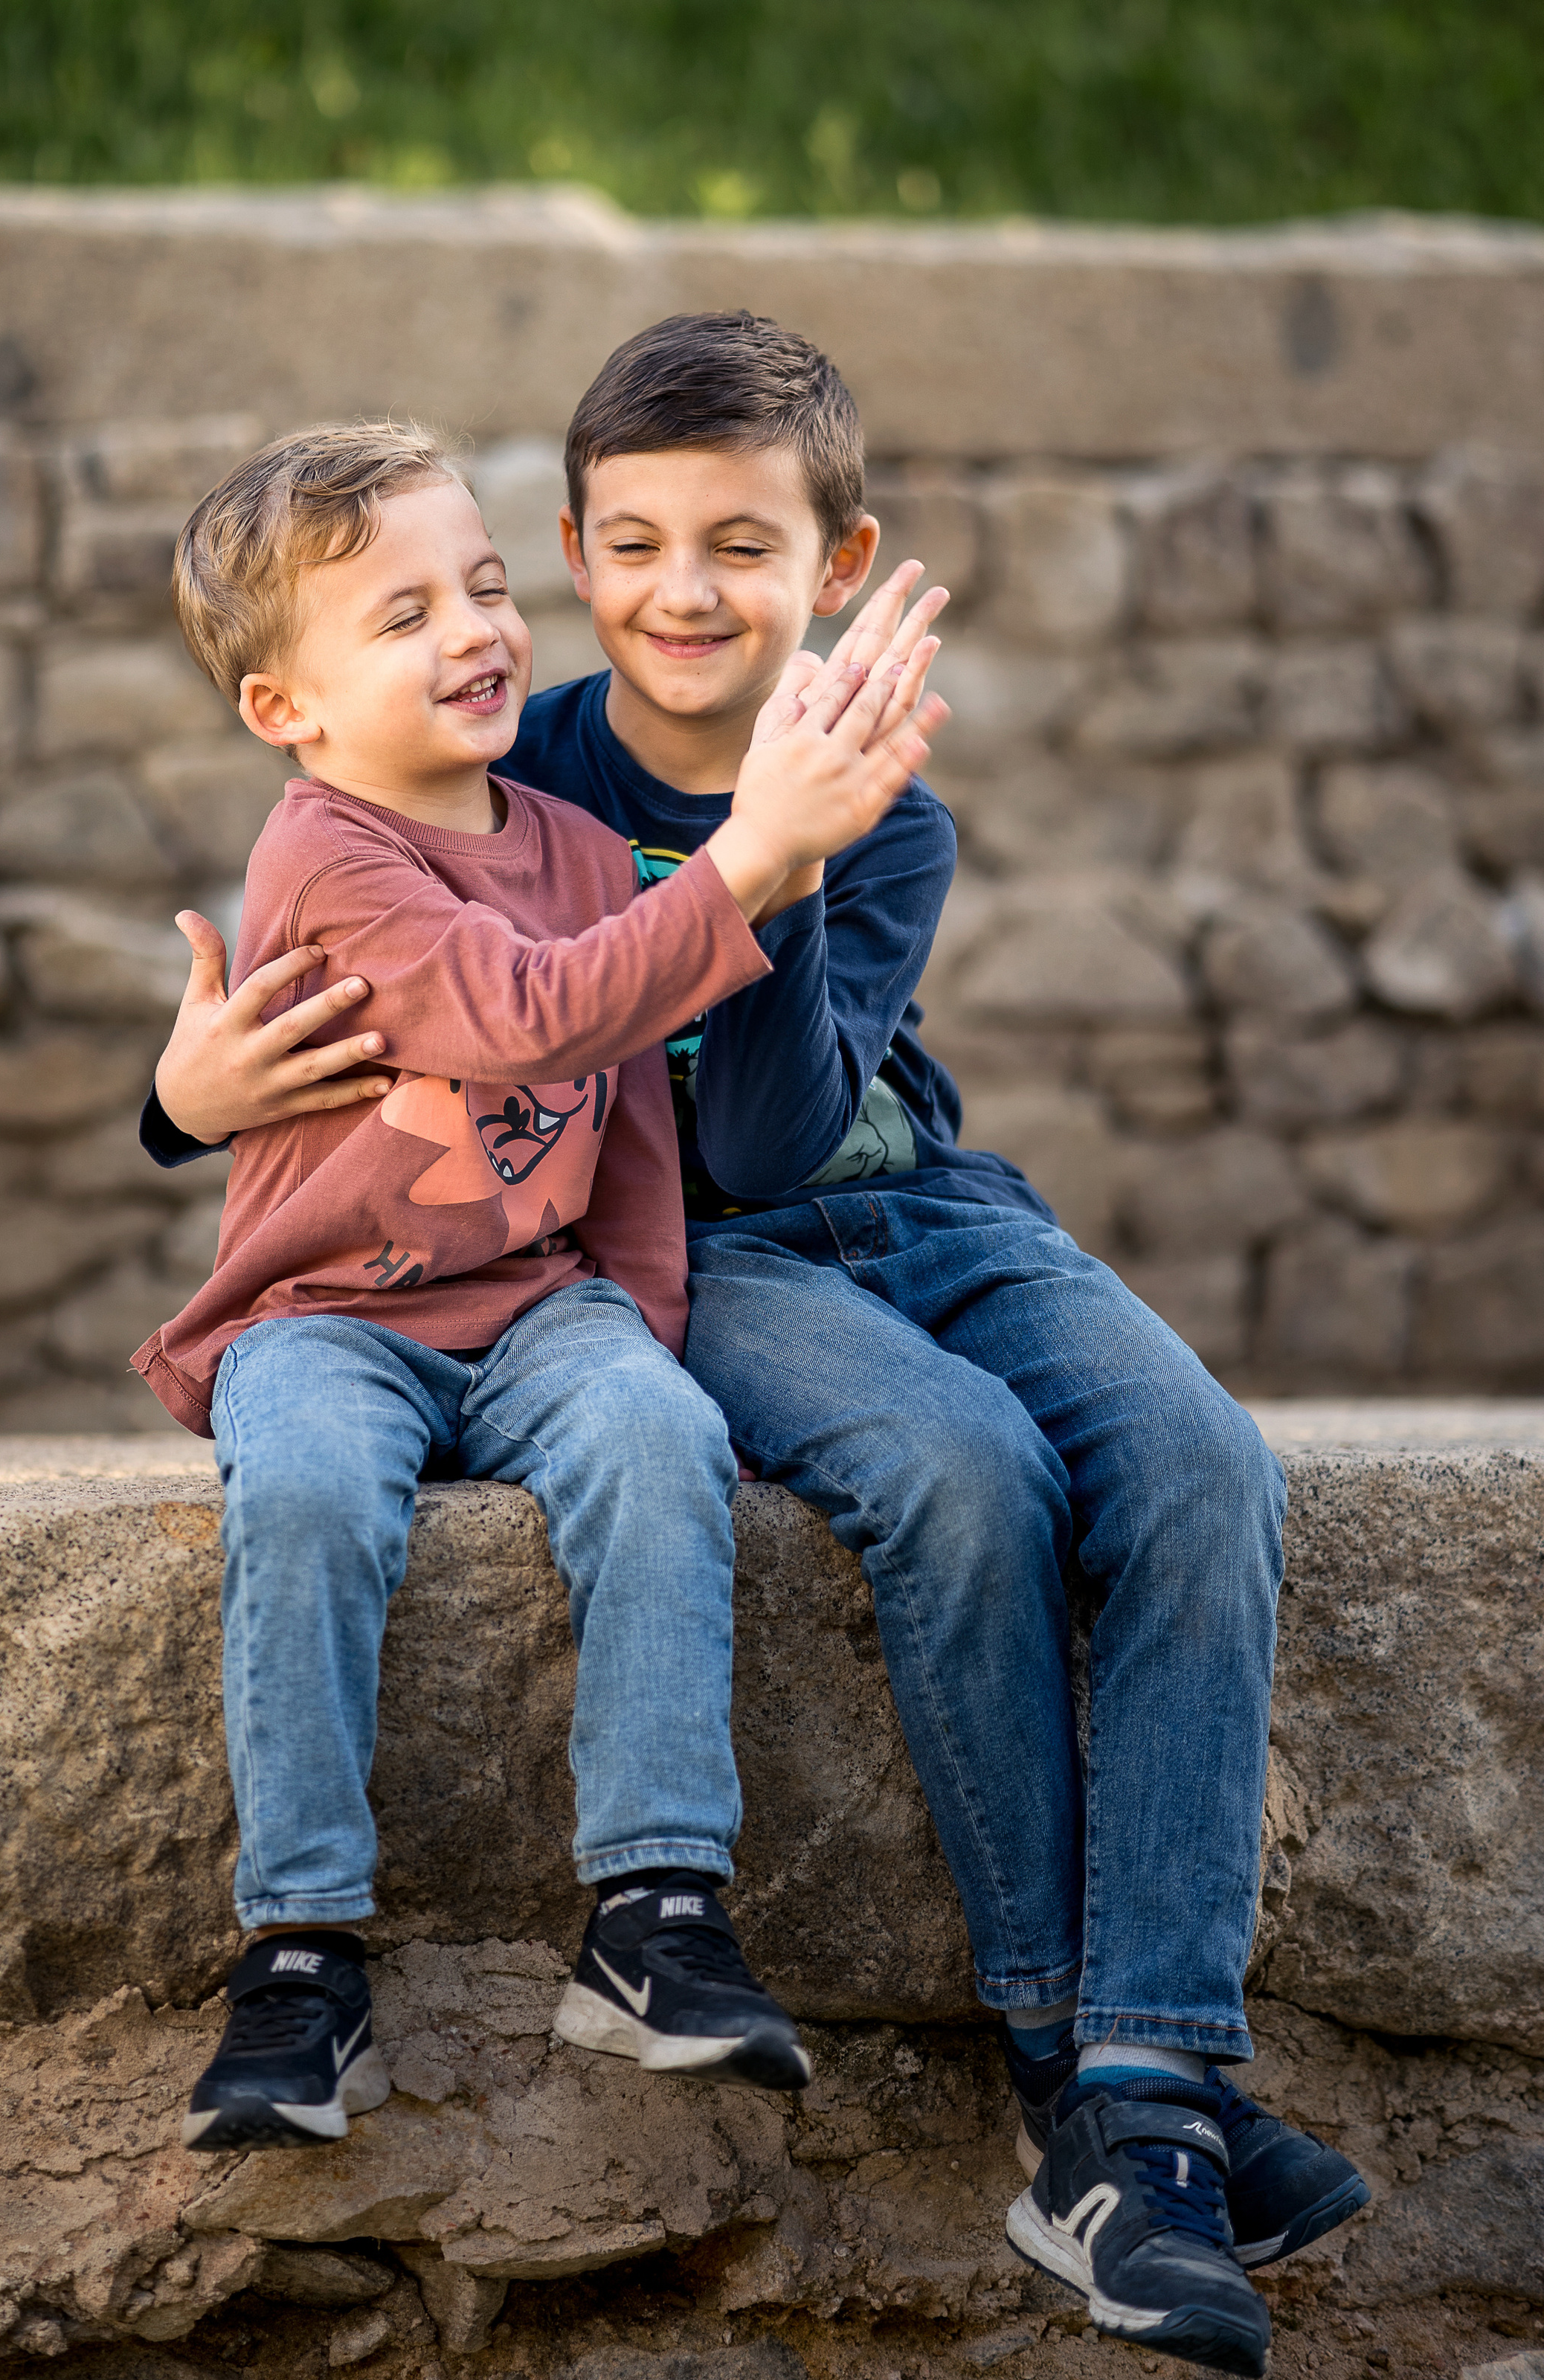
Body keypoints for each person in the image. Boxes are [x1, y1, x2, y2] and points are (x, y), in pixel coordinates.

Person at [141, 322, 1370, 2375]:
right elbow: (437, 1008)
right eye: (630, 542)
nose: (684, 591)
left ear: (836, 557)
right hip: (704, 1246)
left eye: (740, 543)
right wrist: (173, 1098)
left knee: (1195, 1460)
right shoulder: (507, 755)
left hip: (930, 1206)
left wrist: (805, 844)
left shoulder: (886, 812)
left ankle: (1143, 2085)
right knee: (963, 1477)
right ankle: (1093, 2077)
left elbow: (807, 1108)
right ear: (575, 551)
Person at [134, 416, 948, 2155]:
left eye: (487, 588)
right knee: (296, 1491)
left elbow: (638, 1125)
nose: (474, 631)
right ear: (288, 707)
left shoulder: (577, 843)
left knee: (656, 1439)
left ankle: (653, 1912)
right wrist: (744, 858)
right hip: (328, 1312)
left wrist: (636, 1334)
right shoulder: (329, 854)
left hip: (538, 1299)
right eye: (403, 616)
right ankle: (296, 1952)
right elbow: (527, 1015)